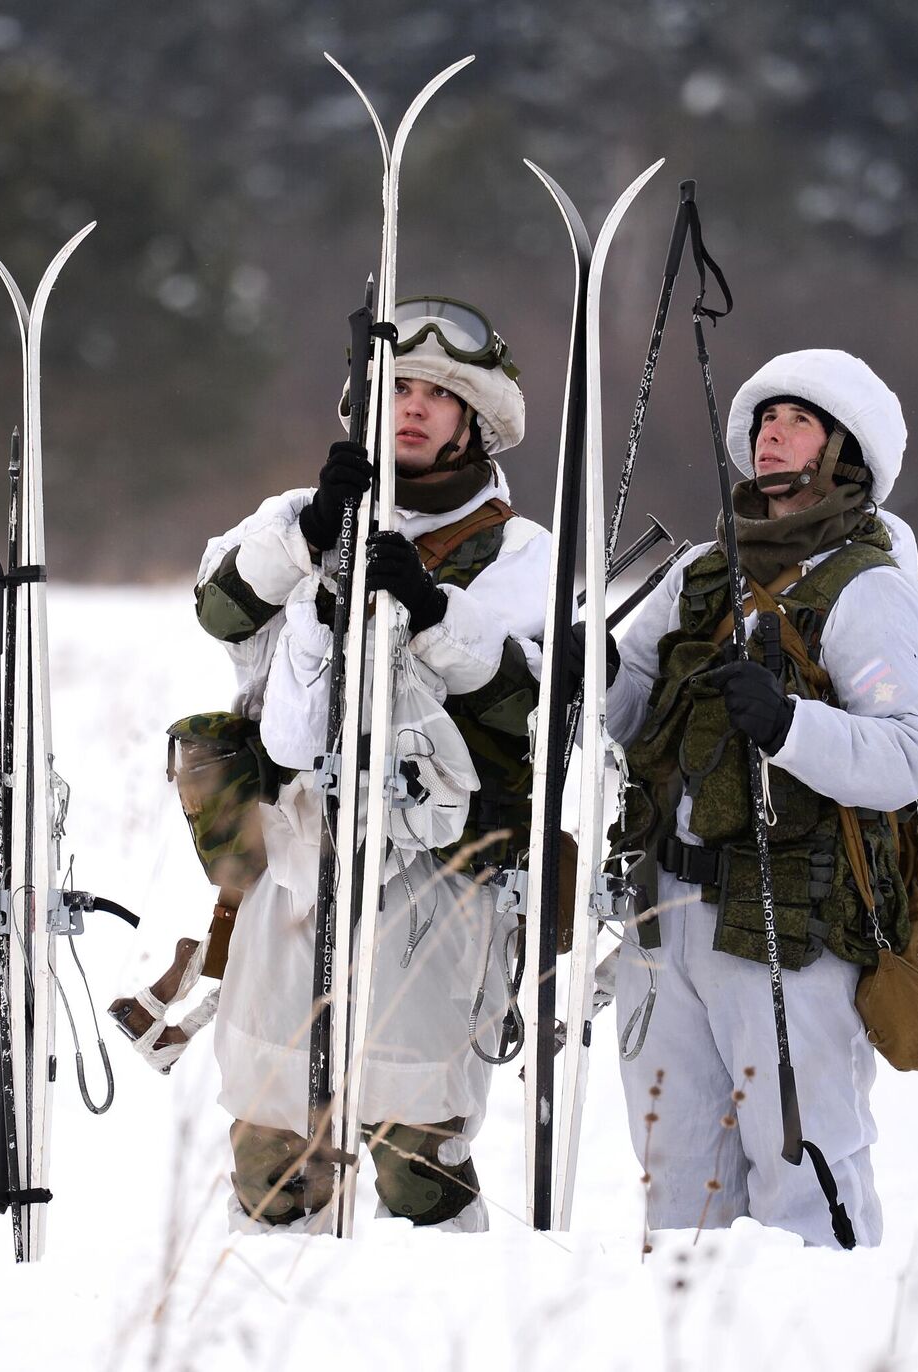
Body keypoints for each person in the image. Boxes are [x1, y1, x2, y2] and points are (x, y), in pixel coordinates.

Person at [188, 297, 550, 1232]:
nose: (415, 406)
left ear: (474, 420)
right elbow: (221, 613)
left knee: (415, 1155)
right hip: (296, 858)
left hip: (439, 870)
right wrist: (312, 531)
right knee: (272, 1149)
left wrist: (433, 614)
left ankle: (432, 1326)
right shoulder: (296, 514)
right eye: (398, 388)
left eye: (439, 393)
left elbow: (537, 703)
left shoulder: (520, 553)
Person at [603, 348, 918, 1248]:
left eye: (796, 421)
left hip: (787, 924)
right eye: (763, 420)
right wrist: (585, 675)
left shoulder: (870, 591)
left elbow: (911, 753)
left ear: (846, 453)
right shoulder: (702, 571)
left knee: (805, 1183)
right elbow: (630, 700)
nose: (769, 434)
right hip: (665, 911)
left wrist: (791, 726)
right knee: (679, 1188)